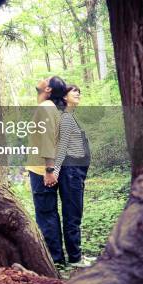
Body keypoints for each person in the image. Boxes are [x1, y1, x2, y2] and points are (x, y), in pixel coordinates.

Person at [26, 76, 67, 264]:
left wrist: (49, 170)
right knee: (49, 212)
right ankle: (56, 257)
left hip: (41, 169)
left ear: (48, 89)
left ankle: (53, 259)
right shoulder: (51, 108)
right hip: (44, 167)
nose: (41, 79)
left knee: (45, 213)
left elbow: (48, 140)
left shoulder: (45, 108)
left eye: (45, 79)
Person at [54, 84, 92, 268]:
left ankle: (76, 255)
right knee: (72, 215)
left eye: (79, 91)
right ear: (64, 97)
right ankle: (75, 258)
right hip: (70, 172)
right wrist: (55, 171)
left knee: (75, 213)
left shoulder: (71, 117)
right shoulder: (67, 118)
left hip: (75, 173)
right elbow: (61, 147)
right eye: (73, 91)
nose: (78, 93)